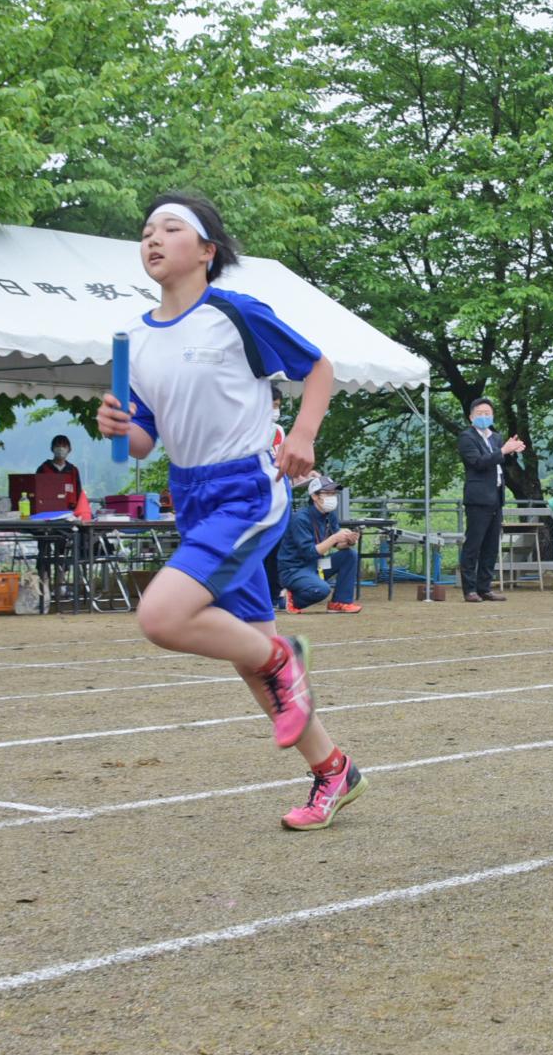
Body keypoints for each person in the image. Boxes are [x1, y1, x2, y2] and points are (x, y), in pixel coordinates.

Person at [96, 192, 362, 832]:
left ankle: (285, 658)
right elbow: (139, 443)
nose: (152, 238)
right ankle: (333, 769)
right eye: (146, 231)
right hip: (190, 495)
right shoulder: (134, 339)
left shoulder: (234, 313)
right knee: (250, 652)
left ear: (207, 251)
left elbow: (317, 368)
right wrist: (114, 425)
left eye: (170, 228)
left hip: (248, 487)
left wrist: (302, 436)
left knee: (161, 616)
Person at [459, 398, 525, 603]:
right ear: (471, 417)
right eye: (479, 413)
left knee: (491, 545)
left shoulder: (496, 438)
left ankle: (485, 587)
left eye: (487, 412)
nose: (484, 416)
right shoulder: (466, 437)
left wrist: (512, 449)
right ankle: (469, 589)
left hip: (496, 496)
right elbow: (478, 462)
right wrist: (504, 451)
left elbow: (501, 460)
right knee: (474, 544)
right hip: (478, 498)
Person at [278, 474, 363, 613]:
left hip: (316, 565)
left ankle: (340, 602)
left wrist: (348, 541)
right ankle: (292, 599)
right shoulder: (300, 518)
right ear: (314, 496)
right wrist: (335, 537)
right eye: (328, 493)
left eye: (334, 493)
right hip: (294, 569)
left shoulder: (330, 515)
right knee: (322, 590)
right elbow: (310, 552)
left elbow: (337, 545)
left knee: (349, 555)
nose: (332, 497)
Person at [264, 394, 287, 609]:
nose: (274, 410)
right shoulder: (245, 427)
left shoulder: (278, 431)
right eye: (271, 405)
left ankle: (275, 592)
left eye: (277, 406)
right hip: (257, 496)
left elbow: (282, 463)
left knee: (276, 548)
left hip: (278, 495)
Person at [37, 434, 82, 501]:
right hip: (49, 508)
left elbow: (78, 493)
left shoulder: (73, 470)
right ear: (52, 449)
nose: (61, 449)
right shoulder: (43, 469)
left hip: (70, 510)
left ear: (69, 449)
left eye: (64, 446)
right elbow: (37, 491)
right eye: (58, 446)